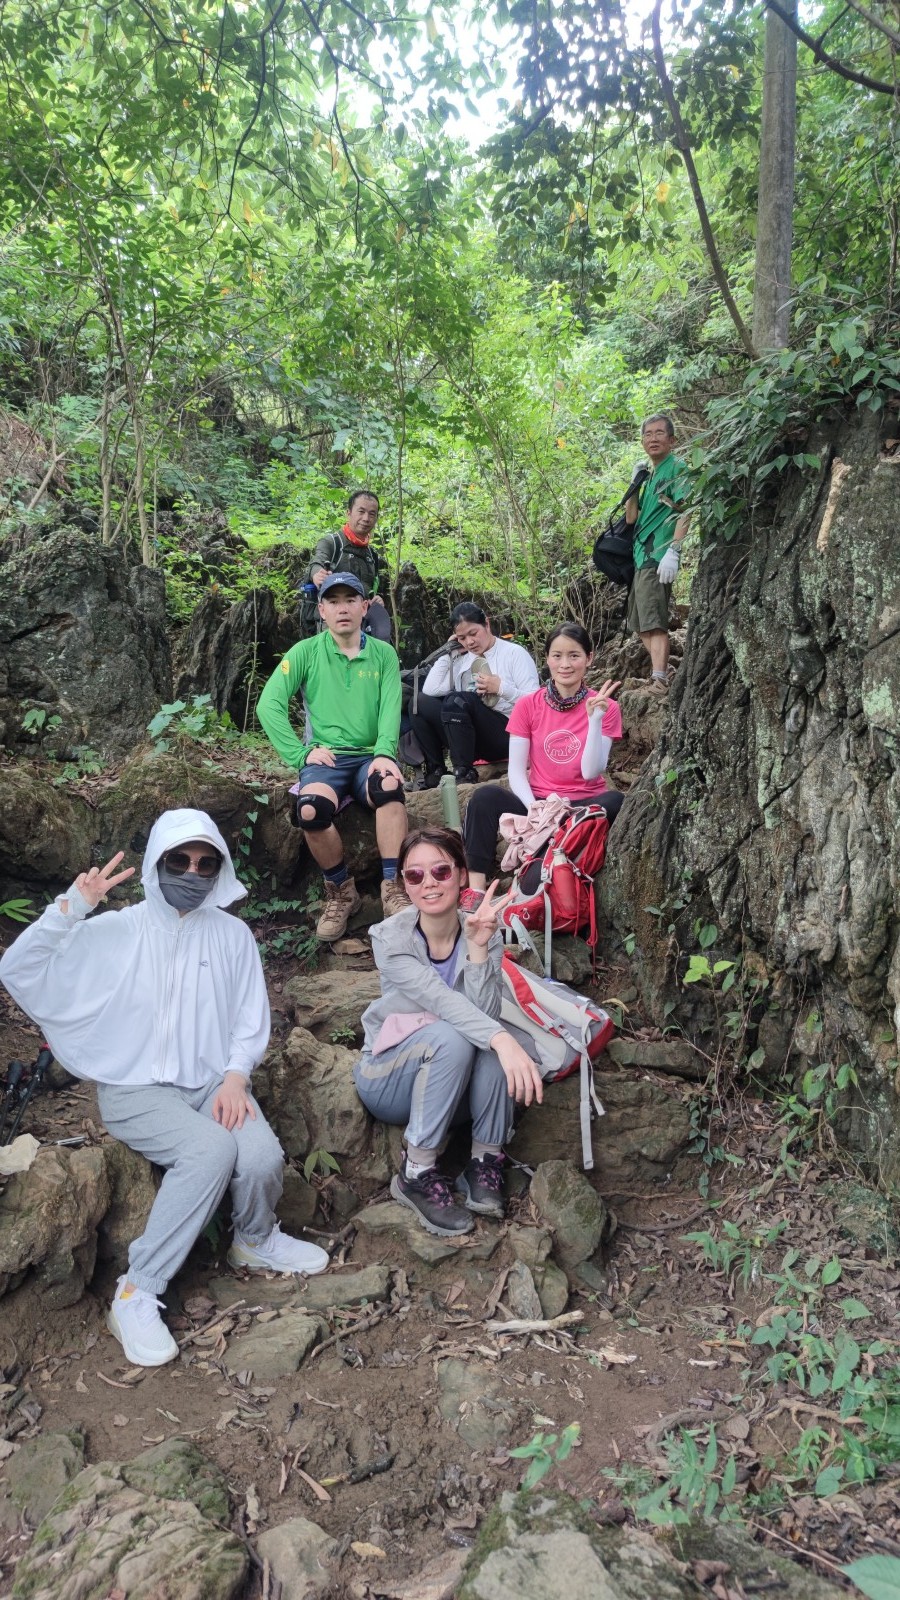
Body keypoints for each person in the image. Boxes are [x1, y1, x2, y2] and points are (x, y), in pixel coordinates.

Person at [0, 809, 330, 1369]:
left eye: (205, 863)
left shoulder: (232, 935)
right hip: (135, 1088)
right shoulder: (117, 930)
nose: (192, 872)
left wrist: (234, 1076)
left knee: (260, 1157)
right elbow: (19, 967)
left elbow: (250, 1020)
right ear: (157, 862)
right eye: (179, 860)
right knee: (211, 1149)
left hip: (210, 1084)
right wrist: (74, 906)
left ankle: (254, 1236)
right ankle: (137, 1289)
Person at [353, 828, 544, 1237]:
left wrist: (477, 948)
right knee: (475, 1036)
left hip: (452, 1086)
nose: (429, 884)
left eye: (440, 871)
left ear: (461, 875)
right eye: (414, 876)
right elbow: (441, 1002)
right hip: (390, 1078)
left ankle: (485, 1161)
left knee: (488, 1040)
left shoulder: (482, 929)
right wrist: (502, 1038)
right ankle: (416, 1171)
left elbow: (483, 1016)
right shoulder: (390, 939)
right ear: (403, 882)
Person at [256, 571, 409, 942]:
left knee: (389, 787)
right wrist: (300, 754)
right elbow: (269, 704)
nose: (343, 608)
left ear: (364, 606)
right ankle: (341, 891)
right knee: (310, 809)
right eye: (334, 602)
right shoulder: (305, 652)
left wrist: (386, 752)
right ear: (322, 610)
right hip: (328, 759)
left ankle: (393, 884)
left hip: (370, 757)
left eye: (350, 600)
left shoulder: (384, 654)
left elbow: (391, 707)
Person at [463, 622, 623, 894]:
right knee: (483, 798)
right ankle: (476, 889)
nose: (565, 664)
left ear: (589, 658)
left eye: (574, 655)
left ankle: (551, 853)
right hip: (538, 801)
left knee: (616, 801)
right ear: (547, 658)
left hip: (580, 806)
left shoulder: (606, 707)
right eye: (557, 656)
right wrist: (537, 809)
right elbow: (515, 770)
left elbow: (591, 772)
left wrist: (594, 721)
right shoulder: (528, 705)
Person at [410, 602, 539, 787]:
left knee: (458, 700)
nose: (469, 642)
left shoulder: (514, 654)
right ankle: (436, 770)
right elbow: (431, 689)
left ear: (486, 624)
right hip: (470, 736)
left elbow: (536, 704)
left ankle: (464, 772)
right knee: (419, 702)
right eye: (462, 638)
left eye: (473, 633)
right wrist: (449, 651)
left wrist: (501, 688)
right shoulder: (463, 659)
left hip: (508, 733)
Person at [624, 413, 691, 696]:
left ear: (672, 439)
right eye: (648, 434)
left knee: (654, 620)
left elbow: (686, 508)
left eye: (659, 433)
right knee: (638, 621)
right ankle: (661, 671)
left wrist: (674, 550)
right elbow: (630, 519)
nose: (653, 438)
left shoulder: (676, 467)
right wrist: (633, 486)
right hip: (641, 555)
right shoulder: (649, 476)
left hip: (658, 554)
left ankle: (660, 679)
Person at [303, 489, 392, 642]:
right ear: (349, 513)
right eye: (361, 511)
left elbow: (373, 588)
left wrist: (376, 599)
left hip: (363, 621)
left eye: (372, 514)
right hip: (332, 622)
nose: (366, 518)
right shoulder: (332, 543)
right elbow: (316, 563)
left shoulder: (372, 554)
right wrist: (317, 574)